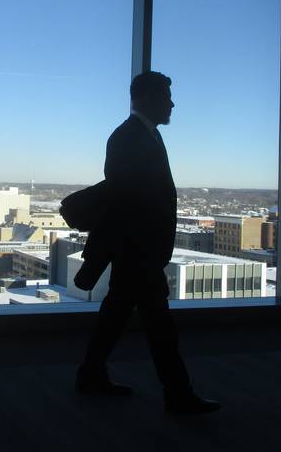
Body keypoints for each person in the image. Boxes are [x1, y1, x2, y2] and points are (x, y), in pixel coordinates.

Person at [75, 71, 221, 415]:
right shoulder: (128, 137)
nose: (171, 103)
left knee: (118, 313)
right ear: (146, 98)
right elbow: (130, 198)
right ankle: (177, 392)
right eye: (165, 96)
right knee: (159, 324)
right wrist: (147, 251)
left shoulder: (142, 135)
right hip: (139, 250)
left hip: (138, 249)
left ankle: (91, 374)